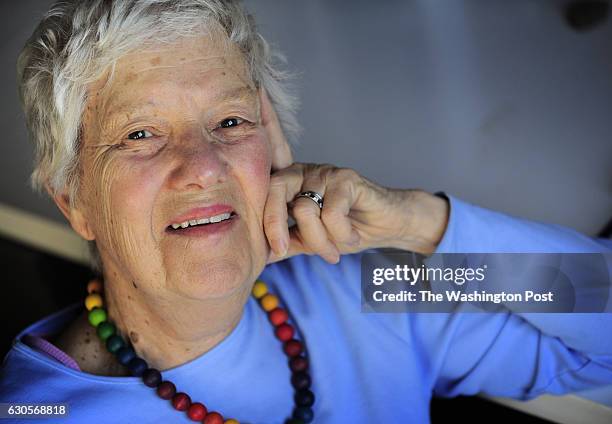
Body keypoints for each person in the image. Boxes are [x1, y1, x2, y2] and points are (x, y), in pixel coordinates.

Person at [1, 1, 611, 423]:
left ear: (274, 147)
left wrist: (422, 223)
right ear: (75, 202)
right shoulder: (36, 408)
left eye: (231, 122)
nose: (205, 166)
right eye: (140, 134)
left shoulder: (363, 293)